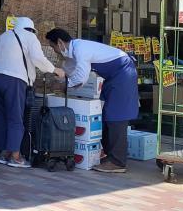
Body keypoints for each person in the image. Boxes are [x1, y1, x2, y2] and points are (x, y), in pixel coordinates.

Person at [45, 28, 138, 173]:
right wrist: (61, 81)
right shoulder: (73, 50)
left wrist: (65, 84)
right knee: (106, 115)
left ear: (60, 42)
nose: (55, 50)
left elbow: (80, 78)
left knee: (116, 116)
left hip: (123, 72)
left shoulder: (80, 50)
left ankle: (117, 162)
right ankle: (110, 154)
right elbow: (68, 69)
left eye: (53, 46)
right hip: (113, 77)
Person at [0, 17, 64, 168]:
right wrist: (55, 70)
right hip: (13, 79)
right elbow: (38, 59)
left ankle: (4, 153)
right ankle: (15, 156)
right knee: (15, 117)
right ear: (31, 29)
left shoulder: (4, 36)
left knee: (0, 117)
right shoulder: (30, 37)